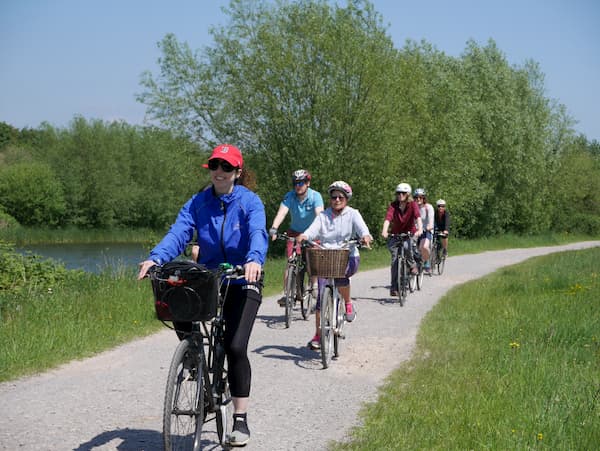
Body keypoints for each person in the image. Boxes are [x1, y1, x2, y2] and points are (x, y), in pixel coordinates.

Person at [137, 144, 268, 447]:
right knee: (174, 293)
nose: (219, 172)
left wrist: (254, 260)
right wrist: (156, 257)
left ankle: (240, 419)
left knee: (235, 347)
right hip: (210, 277)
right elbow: (179, 232)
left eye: (225, 167)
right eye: (214, 166)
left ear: (237, 171)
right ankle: (194, 352)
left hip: (242, 278)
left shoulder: (250, 202)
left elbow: (258, 232)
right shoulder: (198, 202)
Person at [296, 180, 373, 350]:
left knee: (341, 278)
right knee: (321, 298)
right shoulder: (323, 216)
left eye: (340, 197)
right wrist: (304, 236)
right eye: (333, 197)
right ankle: (318, 334)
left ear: (346, 198)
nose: (336, 200)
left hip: (347, 255)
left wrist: (365, 237)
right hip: (326, 256)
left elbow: (363, 230)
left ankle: (347, 302)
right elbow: (312, 230)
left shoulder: (353, 214)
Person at [268, 169, 324, 306]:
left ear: (308, 183)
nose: (298, 186)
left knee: (313, 259)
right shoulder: (290, 196)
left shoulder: (315, 196)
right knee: (290, 262)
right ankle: (288, 295)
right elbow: (282, 213)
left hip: (312, 233)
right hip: (294, 233)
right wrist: (274, 228)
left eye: (301, 182)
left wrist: (320, 232)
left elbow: (320, 216)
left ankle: (315, 285)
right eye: (295, 183)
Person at [381, 182, 423, 297]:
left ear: (408, 194)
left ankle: (412, 265)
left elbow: (418, 217)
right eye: (398, 193)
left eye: (403, 193)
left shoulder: (413, 204)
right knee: (394, 261)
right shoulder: (393, 205)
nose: (400, 195)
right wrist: (385, 230)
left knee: (407, 247)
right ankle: (394, 287)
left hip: (409, 233)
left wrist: (420, 229)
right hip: (396, 234)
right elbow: (388, 219)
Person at [414, 188, 434, 274]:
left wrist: (429, 226)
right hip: (415, 231)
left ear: (423, 198)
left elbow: (431, 221)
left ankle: (426, 261)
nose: (418, 199)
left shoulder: (428, 207)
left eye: (420, 197)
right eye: (416, 197)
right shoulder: (412, 207)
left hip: (426, 231)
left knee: (424, 247)